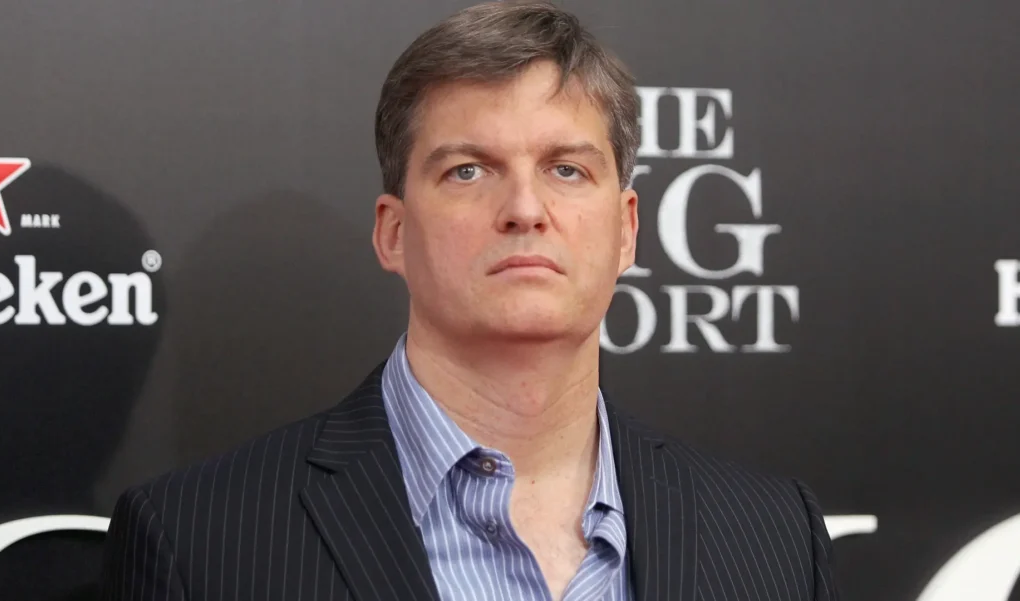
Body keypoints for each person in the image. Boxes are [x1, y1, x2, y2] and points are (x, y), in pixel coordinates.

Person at [100, 2, 841, 600]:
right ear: (392, 233)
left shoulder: (775, 538)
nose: (524, 209)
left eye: (567, 170)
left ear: (626, 231)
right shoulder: (197, 538)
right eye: (467, 171)